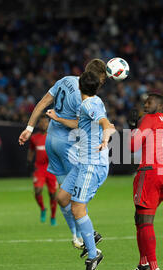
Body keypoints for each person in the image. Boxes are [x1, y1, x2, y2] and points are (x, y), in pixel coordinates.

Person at [18, 59, 107, 250]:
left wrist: (29, 127)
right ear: (96, 77)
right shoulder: (84, 98)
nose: (101, 84)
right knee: (77, 195)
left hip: (51, 141)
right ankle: (88, 237)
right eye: (102, 80)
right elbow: (78, 123)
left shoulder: (65, 80)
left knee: (63, 195)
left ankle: (76, 237)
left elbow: (42, 103)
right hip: (68, 146)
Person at [60, 71, 116, 270]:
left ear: (79, 87)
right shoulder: (95, 100)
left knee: (77, 208)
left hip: (92, 164)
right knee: (62, 197)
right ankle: (89, 234)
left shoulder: (88, 105)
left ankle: (93, 254)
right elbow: (95, 122)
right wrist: (57, 118)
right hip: (83, 162)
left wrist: (106, 139)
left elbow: (105, 123)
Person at [126, 93, 163, 270]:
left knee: (146, 221)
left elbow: (132, 146)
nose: (145, 103)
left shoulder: (149, 119)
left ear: (159, 105)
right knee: (139, 217)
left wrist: (133, 128)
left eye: (149, 101)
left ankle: (154, 268)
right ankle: (143, 263)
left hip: (150, 173)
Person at [27, 116, 58, 225]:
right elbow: (31, 150)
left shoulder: (53, 136)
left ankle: (53, 217)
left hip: (52, 169)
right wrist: (29, 160)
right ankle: (43, 209)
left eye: (46, 122)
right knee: (37, 191)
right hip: (39, 169)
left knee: (53, 195)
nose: (44, 124)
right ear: (38, 124)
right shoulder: (34, 138)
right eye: (42, 122)